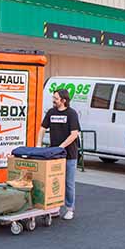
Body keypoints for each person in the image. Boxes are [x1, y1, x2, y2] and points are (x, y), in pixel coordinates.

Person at [42, 88, 80, 220]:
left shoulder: (72, 114)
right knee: (54, 181)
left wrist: (61, 147)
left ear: (63, 100)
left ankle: (70, 209)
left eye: (56, 98)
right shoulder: (51, 112)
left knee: (68, 183)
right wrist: (38, 144)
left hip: (69, 155)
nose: (53, 100)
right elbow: (42, 128)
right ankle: (55, 207)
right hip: (54, 155)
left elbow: (74, 134)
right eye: (53, 98)